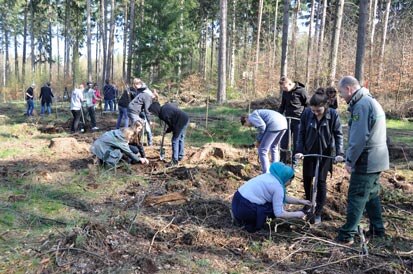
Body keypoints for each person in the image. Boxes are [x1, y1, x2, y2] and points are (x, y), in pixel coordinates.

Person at [335, 76, 389, 245]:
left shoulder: (361, 106)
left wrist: (349, 161)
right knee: (371, 194)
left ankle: (347, 234)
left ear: (349, 89)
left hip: (367, 159)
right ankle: (377, 229)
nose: (341, 97)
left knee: (356, 196)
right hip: (377, 158)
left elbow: (358, 139)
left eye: (341, 92)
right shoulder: (368, 101)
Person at [294, 88, 344, 225]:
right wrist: (299, 150)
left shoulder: (333, 115)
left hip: (325, 153)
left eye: (318, 111)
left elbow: (338, 134)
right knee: (307, 179)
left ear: (325, 106)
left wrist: (339, 153)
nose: (315, 113)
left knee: (321, 181)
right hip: (309, 151)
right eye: (313, 111)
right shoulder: (306, 114)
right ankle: (309, 203)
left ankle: (318, 211)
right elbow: (301, 133)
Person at [231, 162, 311, 233]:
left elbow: (281, 197)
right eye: (290, 181)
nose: (290, 183)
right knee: (271, 209)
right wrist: (297, 214)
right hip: (246, 209)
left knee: (274, 203)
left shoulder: (268, 176)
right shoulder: (278, 187)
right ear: (285, 178)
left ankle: (238, 218)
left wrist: (301, 202)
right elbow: (279, 213)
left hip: (236, 200)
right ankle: (250, 223)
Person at [240, 109, 287, 173]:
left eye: (247, 125)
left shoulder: (251, 116)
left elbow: (262, 127)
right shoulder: (257, 113)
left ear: (246, 119)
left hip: (274, 124)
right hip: (283, 123)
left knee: (262, 150)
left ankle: (266, 173)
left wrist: (258, 140)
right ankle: (276, 171)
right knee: (274, 146)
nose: (249, 126)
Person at [278, 76, 308, 165]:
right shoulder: (285, 92)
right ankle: (282, 161)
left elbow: (307, 105)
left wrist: (304, 117)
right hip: (287, 119)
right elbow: (282, 105)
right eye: (282, 88)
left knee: (296, 141)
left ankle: (294, 162)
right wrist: (278, 115)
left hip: (298, 120)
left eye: (285, 87)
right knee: (284, 141)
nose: (284, 89)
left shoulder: (301, 91)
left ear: (290, 84)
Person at [148, 101, 189, 166]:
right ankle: (180, 156)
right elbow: (175, 105)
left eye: (153, 112)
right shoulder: (165, 106)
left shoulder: (163, 114)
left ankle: (174, 160)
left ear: (155, 110)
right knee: (180, 138)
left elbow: (171, 125)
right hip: (185, 118)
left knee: (174, 140)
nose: (153, 114)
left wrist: (167, 131)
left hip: (179, 122)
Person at [128, 78, 156, 145]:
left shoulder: (144, 93)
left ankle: (136, 141)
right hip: (134, 111)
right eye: (153, 98)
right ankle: (134, 143)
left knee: (137, 126)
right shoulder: (148, 96)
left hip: (133, 110)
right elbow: (147, 110)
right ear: (152, 96)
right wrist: (149, 121)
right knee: (138, 127)